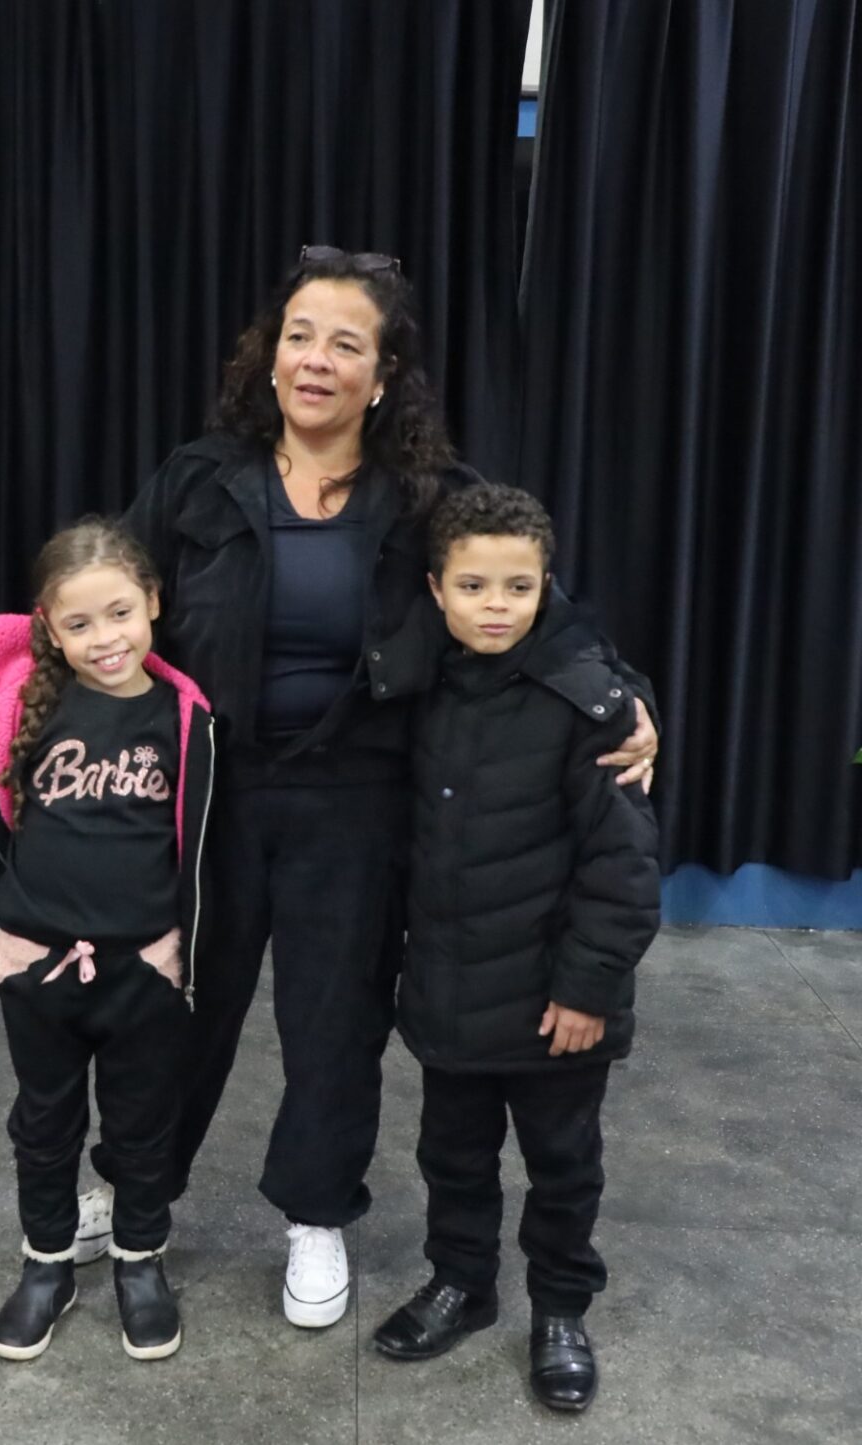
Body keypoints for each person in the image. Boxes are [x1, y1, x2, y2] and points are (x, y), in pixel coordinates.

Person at [118, 248, 658, 1327]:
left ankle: (315, 1211)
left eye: (345, 344)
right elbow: (111, 592)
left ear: (383, 373)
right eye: (299, 337)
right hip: (212, 788)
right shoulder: (197, 477)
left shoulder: (431, 499)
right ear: (270, 356)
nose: (316, 359)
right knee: (176, 1007)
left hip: (358, 799)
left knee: (335, 1019)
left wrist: (631, 699)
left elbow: (547, 621)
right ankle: (138, 1193)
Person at [368, 484, 660, 1412]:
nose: (496, 605)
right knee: (452, 1156)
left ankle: (560, 1308)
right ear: (436, 589)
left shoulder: (591, 705)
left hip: (556, 1005)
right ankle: (462, 1281)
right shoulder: (418, 685)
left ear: (548, 585)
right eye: (473, 586)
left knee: (562, 1165)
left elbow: (623, 867)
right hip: (451, 991)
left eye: (519, 587)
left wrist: (588, 988)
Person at [0, 519, 216, 1362]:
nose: (105, 638)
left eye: (120, 613)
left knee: (142, 1123)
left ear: (153, 604)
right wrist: (24, 918)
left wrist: (171, 949)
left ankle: (141, 1260)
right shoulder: (15, 710)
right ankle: (48, 1262)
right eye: (79, 623)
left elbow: (197, 845)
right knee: (44, 1121)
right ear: (50, 626)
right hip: (38, 967)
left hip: (144, 968)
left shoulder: (184, 718)